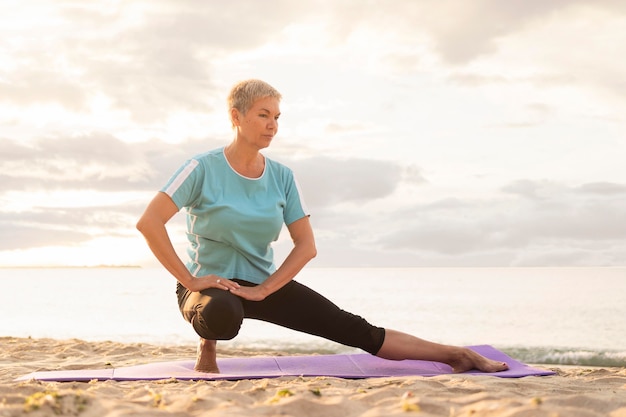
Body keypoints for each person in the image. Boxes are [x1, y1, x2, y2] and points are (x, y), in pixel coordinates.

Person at [136, 79, 509, 374]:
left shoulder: (282, 176)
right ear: (236, 116)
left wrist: (266, 289)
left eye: (278, 117)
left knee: (354, 329)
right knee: (222, 314)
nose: (272, 125)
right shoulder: (201, 168)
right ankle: (208, 343)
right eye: (263, 115)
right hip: (209, 288)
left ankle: (456, 355)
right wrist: (192, 280)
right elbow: (149, 222)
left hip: (263, 283)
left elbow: (306, 246)